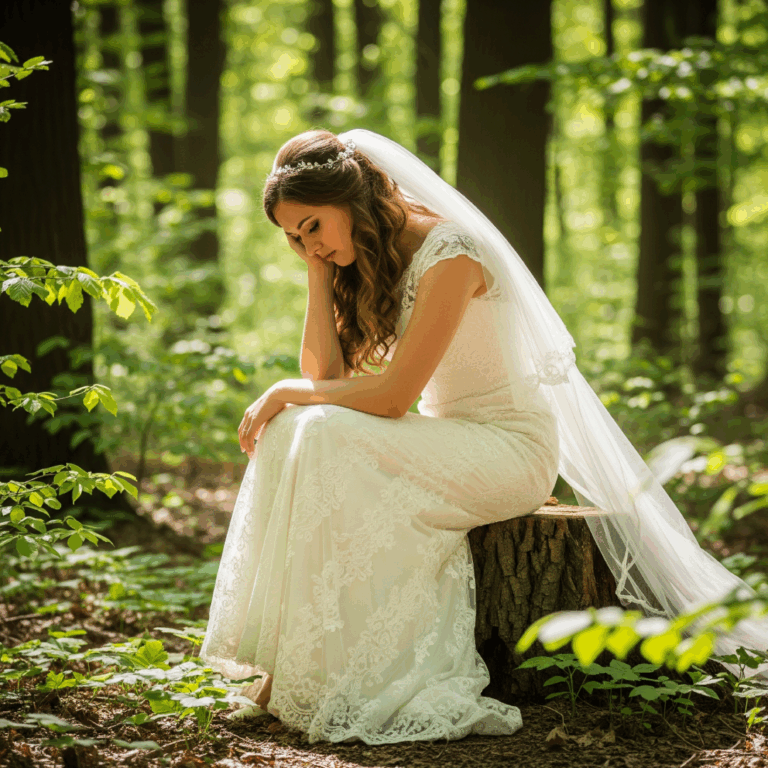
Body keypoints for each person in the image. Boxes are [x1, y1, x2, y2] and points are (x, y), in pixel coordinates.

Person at [201, 129, 767, 744]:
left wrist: (285, 389)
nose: (306, 243)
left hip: (508, 449)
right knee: (296, 428)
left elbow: (390, 397)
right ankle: (298, 668)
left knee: (316, 423)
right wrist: (317, 274)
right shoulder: (366, 256)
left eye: (312, 226)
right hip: (447, 440)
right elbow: (327, 377)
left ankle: (381, 669)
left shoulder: (451, 253)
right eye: (293, 236)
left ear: (351, 200)